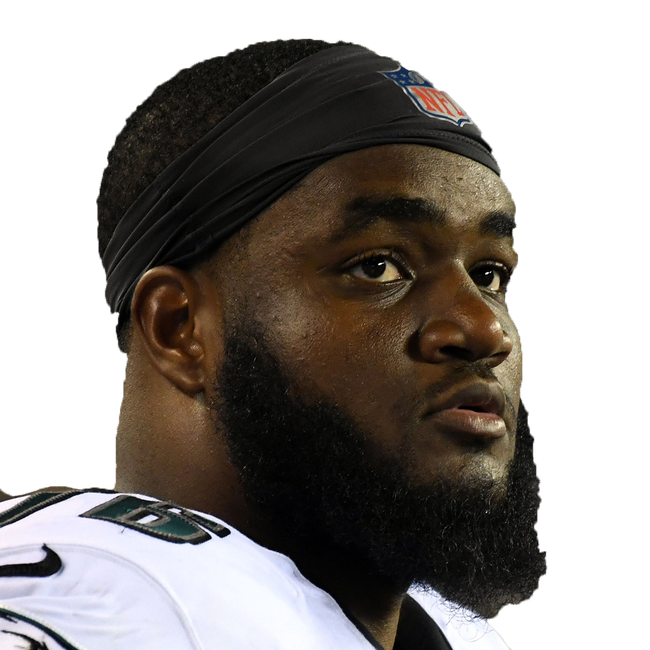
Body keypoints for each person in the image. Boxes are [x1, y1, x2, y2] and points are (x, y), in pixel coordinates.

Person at [0, 38, 547, 649]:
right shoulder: (117, 604)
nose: (485, 331)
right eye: (377, 267)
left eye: (489, 275)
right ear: (178, 327)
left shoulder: (455, 634)